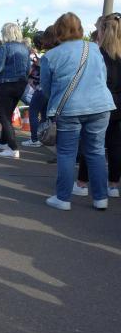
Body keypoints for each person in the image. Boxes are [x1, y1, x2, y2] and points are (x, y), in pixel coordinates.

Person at [40, 12, 116, 210]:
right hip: (100, 106)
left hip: (69, 109)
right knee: (96, 152)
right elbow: (103, 76)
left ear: (58, 31)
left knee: (66, 153)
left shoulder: (51, 56)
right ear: (80, 29)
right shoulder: (94, 48)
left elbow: (46, 87)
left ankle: (63, 199)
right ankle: (100, 198)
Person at [75, 13, 121, 199]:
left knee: (92, 145)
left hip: (99, 103)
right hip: (118, 105)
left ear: (103, 31)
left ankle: (82, 183)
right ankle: (113, 185)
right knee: (116, 146)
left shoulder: (96, 55)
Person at [0, 23, 31, 158]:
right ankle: (3, 142)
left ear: (6, 33)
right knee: (8, 115)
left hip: (7, 84)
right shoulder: (25, 48)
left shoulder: (4, 48)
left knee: (4, 117)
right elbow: (28, 69)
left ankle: (13, 148)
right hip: (21, 84)